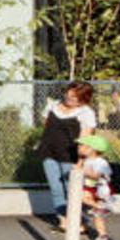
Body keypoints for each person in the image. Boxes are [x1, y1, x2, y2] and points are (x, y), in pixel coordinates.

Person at [36, 81, 96, 231]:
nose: (70, 99)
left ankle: (80, 222)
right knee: (56, 189)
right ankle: (63, 221)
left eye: (75, 98)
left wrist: (80, 162)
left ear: (83, 99)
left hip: (70, 156)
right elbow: (46, 126)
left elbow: (86, 139)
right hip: (49, 152)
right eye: (68, 95)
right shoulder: (52, 106)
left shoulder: (86, 113)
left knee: (71, 189)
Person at [75, 135, 114, 240]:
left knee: (81, 197)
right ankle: (103, 236)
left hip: (101, 189)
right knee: (97, 216)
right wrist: (80, 161)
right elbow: (77, 169)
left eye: (82, 145)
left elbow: (97, 176)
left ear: (91, 149)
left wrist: (83, 171)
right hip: (91, 188)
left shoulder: (100, 162)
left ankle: (102, 208)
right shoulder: (87, 160)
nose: (79, 147)